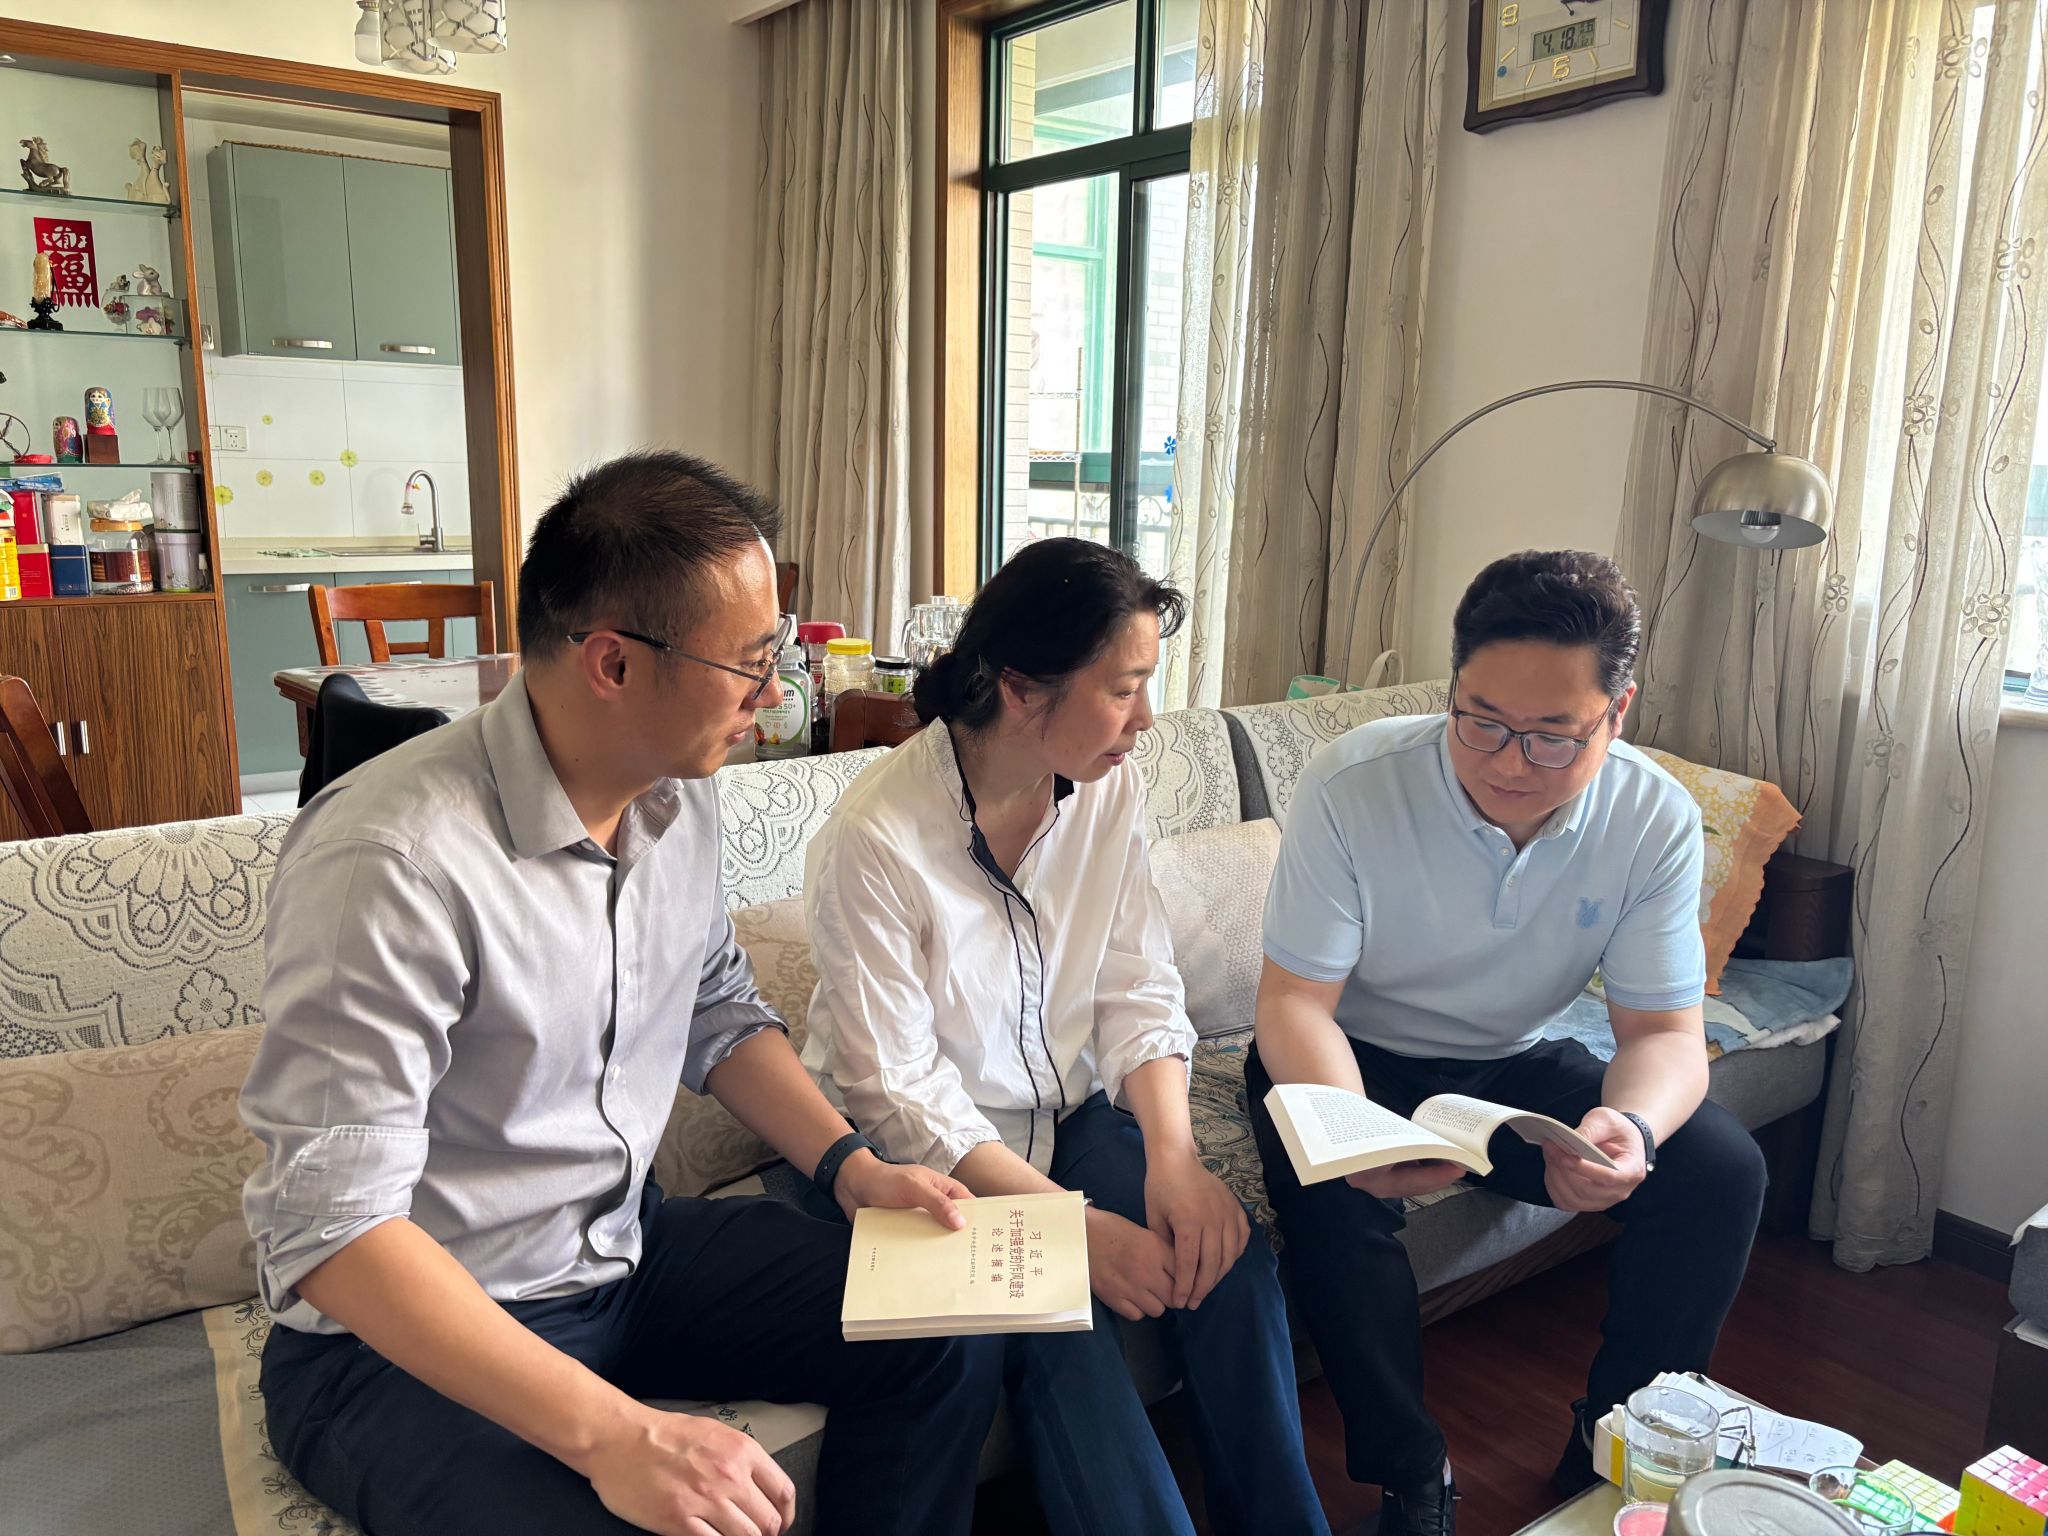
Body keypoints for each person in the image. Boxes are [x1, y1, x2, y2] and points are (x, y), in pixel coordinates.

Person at [240, 451, 1001, 1536]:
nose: (773, 695)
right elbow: (333, 1229)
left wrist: (853, 1168)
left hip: (619, 1254)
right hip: (398, 1344)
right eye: (750, 662)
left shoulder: (675, 795)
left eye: (778, 652)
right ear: (613, 664)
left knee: (942, 1323)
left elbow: (715, 1007)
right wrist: (617, 1436)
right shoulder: (390, 859)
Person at [801, 538, 1330, 1536]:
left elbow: (1137, 981)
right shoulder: (876, 840)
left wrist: (1174, 1161)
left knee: (1222, 1251)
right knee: (1062, 1327)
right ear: (1018, 687)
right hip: (926, 1166)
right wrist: (1067, 1229)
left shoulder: (1105, 787)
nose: (1146, 718)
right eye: (1123, 688)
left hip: (1073, 1118)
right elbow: (897, 1093)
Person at [1247, 550, 1767, 1536]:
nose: (1505, 762)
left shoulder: (1651, 815)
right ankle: (1412, 1474)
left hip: (1508, 1062)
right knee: (1332, 1208)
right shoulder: (1354, 782)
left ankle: (1612, 1443)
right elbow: (1293, 1005)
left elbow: (1663, 1033)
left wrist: (1629, 1128)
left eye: (1550, 738)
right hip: (1346, 1055)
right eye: (1478, 719)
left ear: (1616, 713)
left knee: (1716, 1169)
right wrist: (1353, 1130)